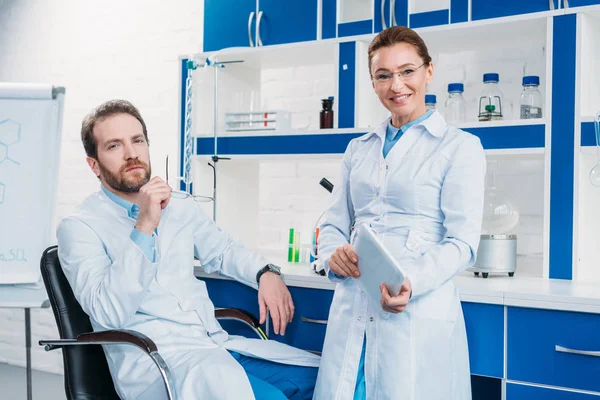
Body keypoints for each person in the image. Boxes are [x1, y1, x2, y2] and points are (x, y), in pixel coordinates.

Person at [57, 100, 319, 400]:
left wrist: (265, 272)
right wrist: (144, 226)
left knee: (334, 381)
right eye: (114, 146)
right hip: (161, 365)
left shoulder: (179, 205)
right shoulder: (79, 227)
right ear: (94, 165)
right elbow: (109, 311)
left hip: (215, 348)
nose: (132, 154)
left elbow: (223, 250)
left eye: (137, 140)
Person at [313, 26, 486, 400]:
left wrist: (411, 282)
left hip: (415, 310)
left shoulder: (460, 148)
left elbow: (462, 243)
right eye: (384, 75)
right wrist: (333, 253)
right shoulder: (358, 148)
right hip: (354, 304)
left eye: (407, 71)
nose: (397, 85)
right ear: (373, 83)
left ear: (429, 71)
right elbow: (333, 222)